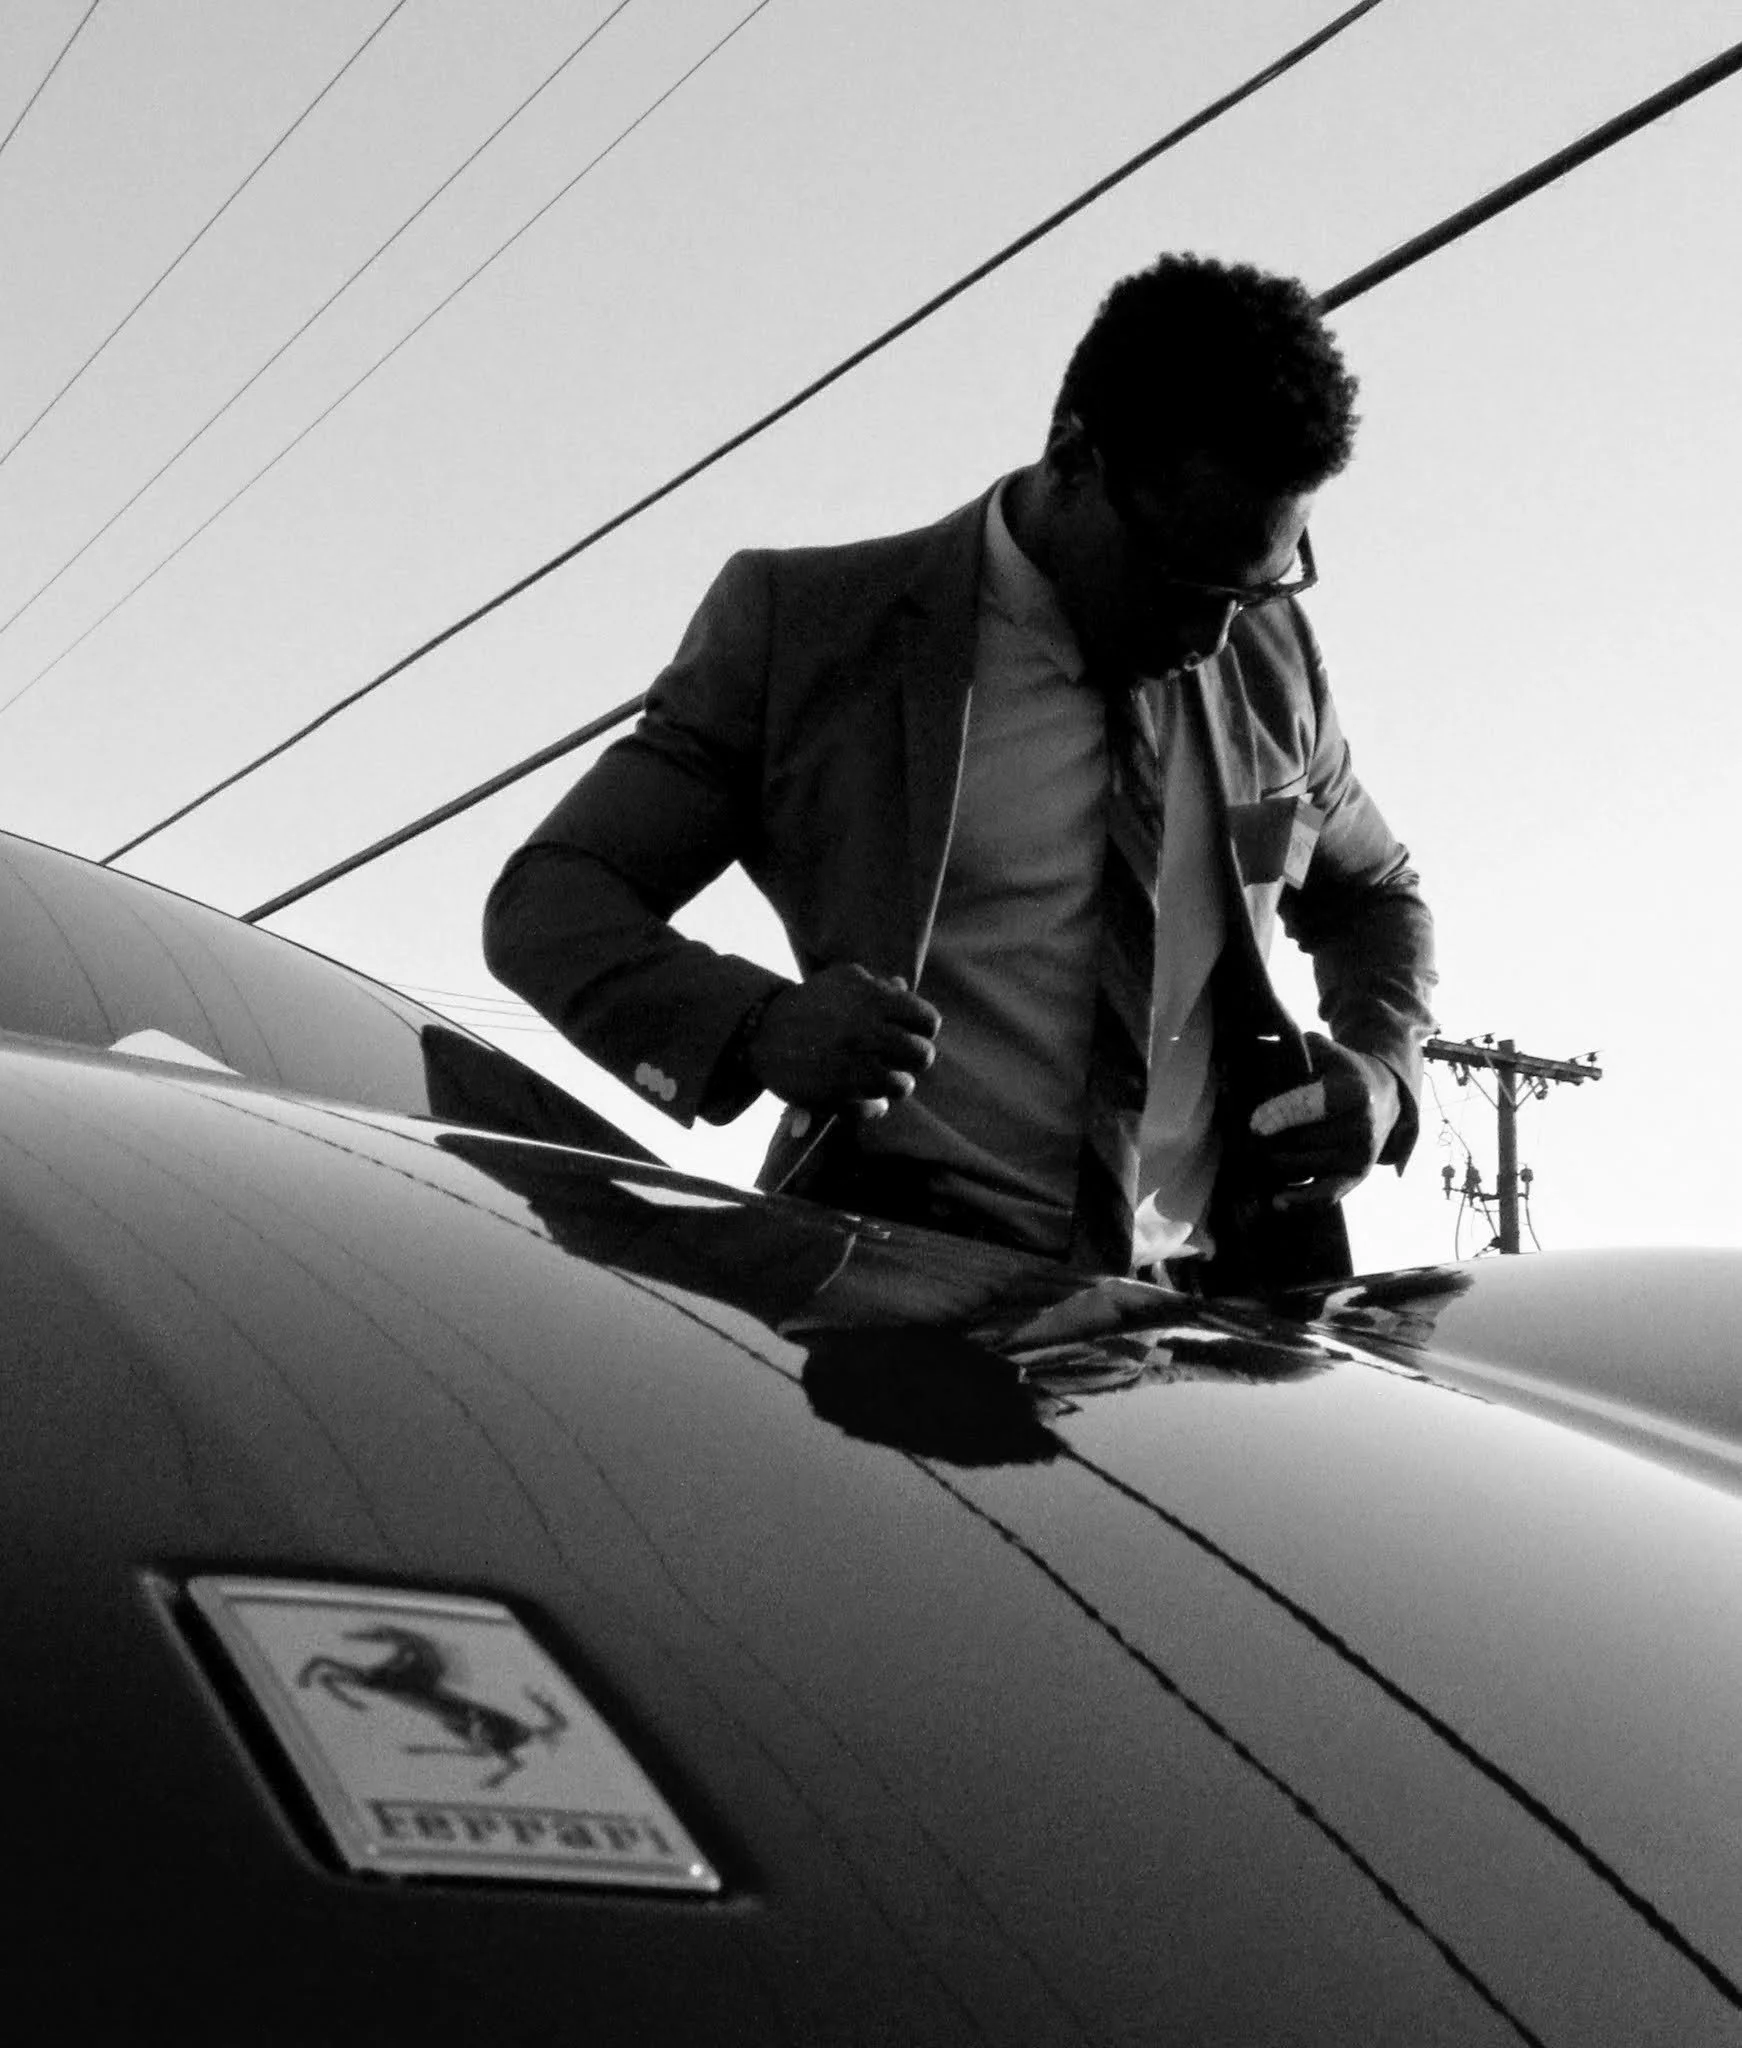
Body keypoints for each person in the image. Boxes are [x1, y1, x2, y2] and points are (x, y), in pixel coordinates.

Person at [483, 252, 1436, 1291]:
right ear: (1074, 460)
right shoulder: (806, 636)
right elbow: (547, 903)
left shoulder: (1272, 658)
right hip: (898, 1308)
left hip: (1209, 1322)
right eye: (1185, 579)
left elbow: (1372, 895)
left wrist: (1383, 1076)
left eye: (1255, 586)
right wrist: (756, 1025)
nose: (1211, 634)